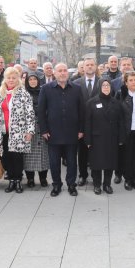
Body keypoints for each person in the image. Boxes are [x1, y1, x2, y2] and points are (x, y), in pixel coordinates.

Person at [38, 63, 84, 197]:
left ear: (68, 73)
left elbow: (81, 111)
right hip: (53, 133)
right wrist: (44, 130)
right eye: (60, 71)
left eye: (65, 70)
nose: (63, 73)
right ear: (54, 73)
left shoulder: (76, 88)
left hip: (72, 132)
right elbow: (41, 111)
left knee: (71, 161)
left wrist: (81, 129)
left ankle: (71, 185)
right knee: (54, 162)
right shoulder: (46, 89)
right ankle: (56, 185)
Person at [0, 67, 35, 193]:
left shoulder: (23, 93)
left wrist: (30, 131)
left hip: (18, 132)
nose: (11, 80)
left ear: (18, 79)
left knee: (17, 157)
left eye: (14, 78)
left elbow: (30, 113)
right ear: (4, 79)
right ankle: (11, 180)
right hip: (3, 131)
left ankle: (18, 181)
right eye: (8, 78)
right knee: (6, 157)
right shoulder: (0, 93)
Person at [85, 78, 125, 194]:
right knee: (96, 163)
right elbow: (87, 122)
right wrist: (87, 140)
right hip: (96, 138)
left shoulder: (116, 103)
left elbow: (121, 122)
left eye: (108, 86)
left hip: (112, 138)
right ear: (99, 87)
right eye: (104, 86)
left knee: (110, 163)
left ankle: (107, 184)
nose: (106, 88)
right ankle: (97, 184)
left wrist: (121, 138)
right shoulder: (91, 102)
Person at [72, 58, 101, 186]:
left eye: (92, 65)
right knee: (82, 153)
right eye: (87, 65)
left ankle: (96, 177)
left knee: (96, 152)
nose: (89, 67)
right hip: (81, 125)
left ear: (96, 67)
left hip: (98, 124)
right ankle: (82, 175)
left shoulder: (103, 82)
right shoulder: (76, 83)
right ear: (83, 67)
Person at [23, 73, 50, 187]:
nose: (33, 81)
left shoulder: (44, 92)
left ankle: (43, 178)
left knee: (43, 153)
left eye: (35, 79)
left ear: (38, 81)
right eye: (30, 79)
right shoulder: (23, 93)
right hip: (28, 126)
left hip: (42, 125)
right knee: (28, 154)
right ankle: (30, 179)